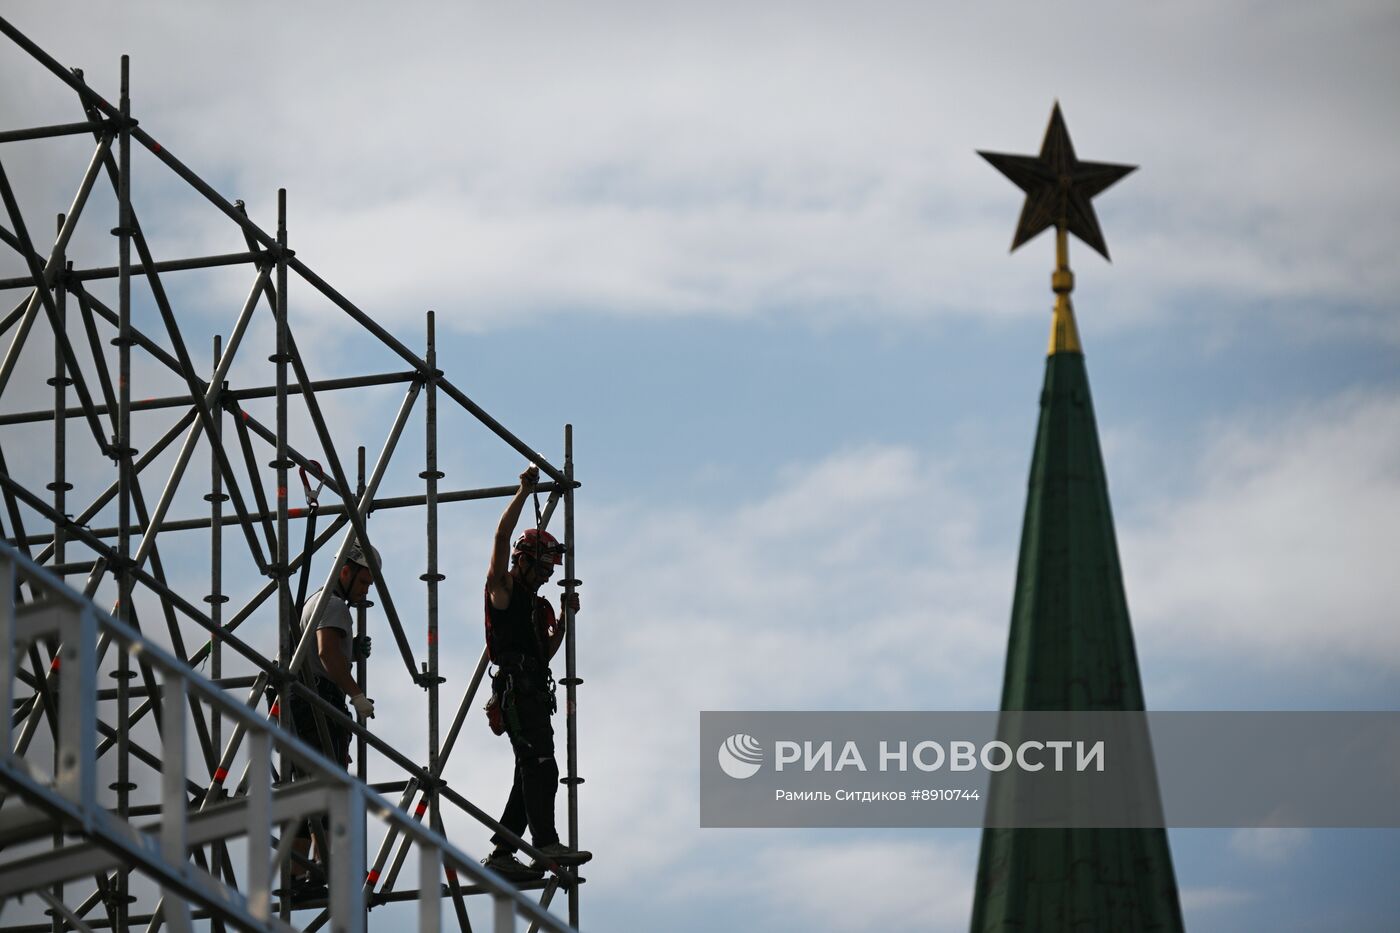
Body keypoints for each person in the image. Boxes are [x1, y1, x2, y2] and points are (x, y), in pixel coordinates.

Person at [480, 465, 592, 881]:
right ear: (523, 562)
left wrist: (563, 620)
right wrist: (523, 493)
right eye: (541, 569)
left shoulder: (536, 605)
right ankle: (544, 842)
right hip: (516, 689)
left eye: (550, 572)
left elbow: (544, 652)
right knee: (540, 765)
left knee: (530, 769)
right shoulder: (503, 589)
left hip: (533, 689)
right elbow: (500, 538)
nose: (545, 577)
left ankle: (504, 852)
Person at [287, 541, 378, 901]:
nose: (364, 591)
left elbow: (316, 649)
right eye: (363, 582)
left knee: (302, 791)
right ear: (346, 571)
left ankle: (296, 878)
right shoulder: (335, 604)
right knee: (331, 786)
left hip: (296, 703)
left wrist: (351, 650)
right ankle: (325, 871)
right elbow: (326, 656)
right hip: (319, 702)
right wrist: (356, 694)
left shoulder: (315, 601)